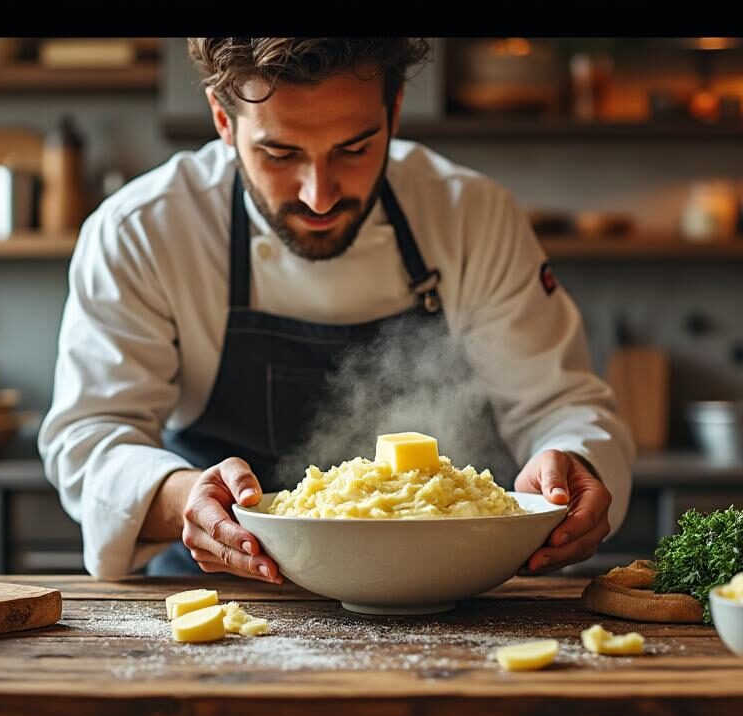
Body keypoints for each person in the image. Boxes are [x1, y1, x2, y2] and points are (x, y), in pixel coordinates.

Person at [38, 38, 634, 582]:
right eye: (279, 154)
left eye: (354, 149)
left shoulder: (471, 218)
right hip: (217, 591)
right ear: (223, 120)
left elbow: (559, 405)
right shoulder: (144, 231)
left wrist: (573, 464)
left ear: (394, 111)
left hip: (448, 591)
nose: (318, 195)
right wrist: (183, 498)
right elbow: (94, 438)